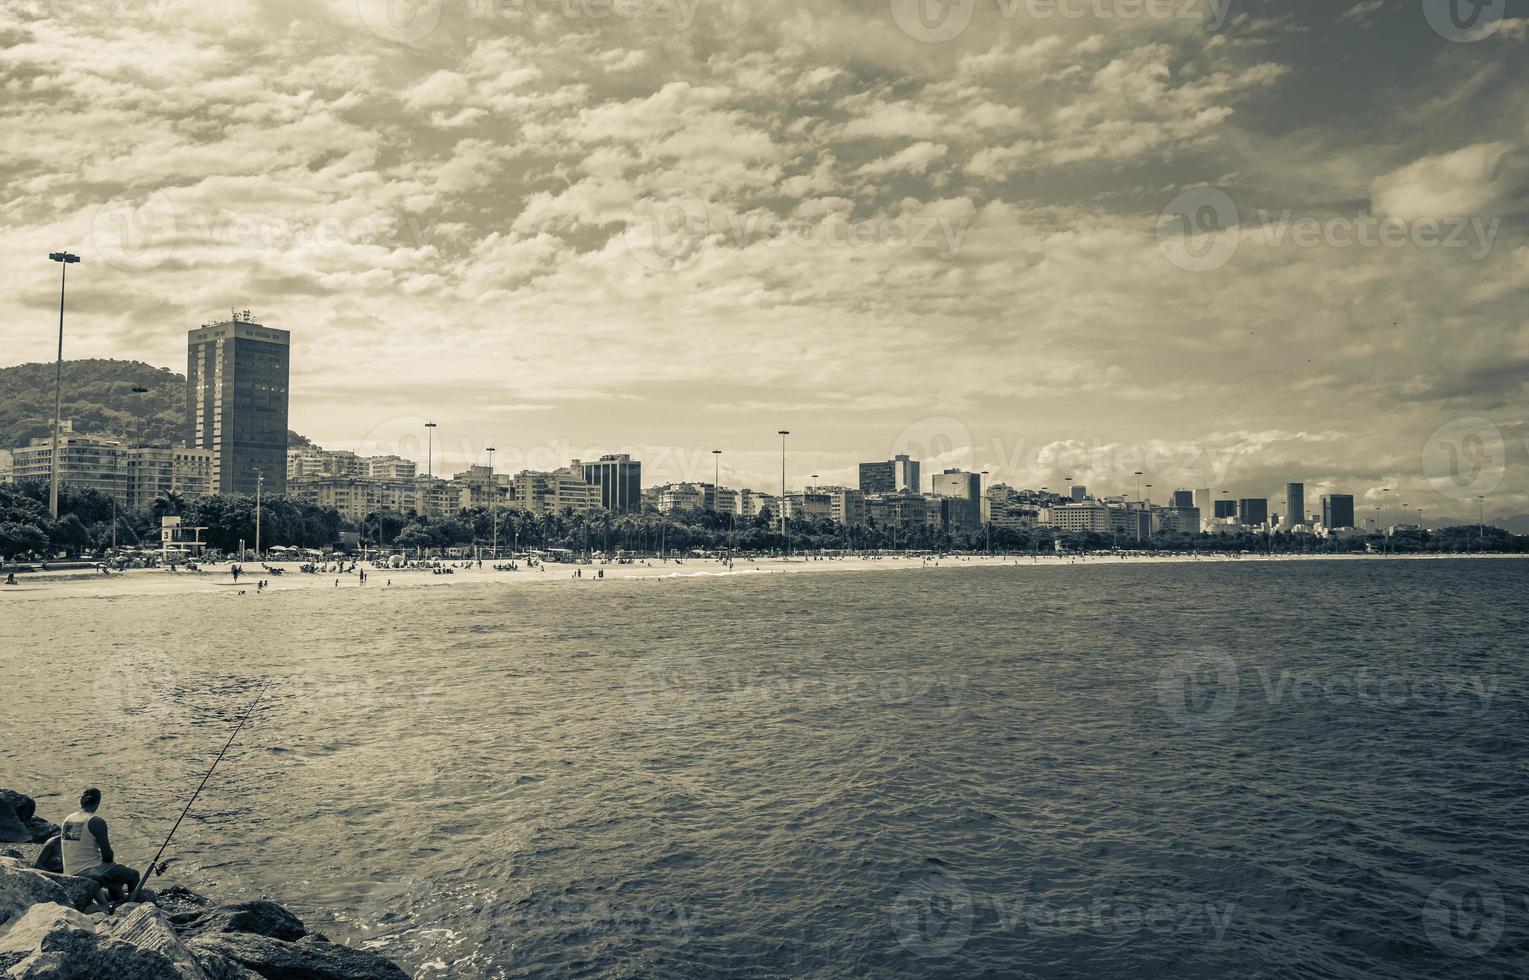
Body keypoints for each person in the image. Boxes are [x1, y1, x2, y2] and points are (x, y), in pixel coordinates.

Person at [60, 788, 140, 903]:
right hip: (88, 871)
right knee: (133, 875)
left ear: (81, 801)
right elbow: (107, 855)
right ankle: (131, 905)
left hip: (70, 870)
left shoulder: (68, 818)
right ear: (98, 803)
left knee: (113, 870)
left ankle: (116, 902)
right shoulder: (96, 822)